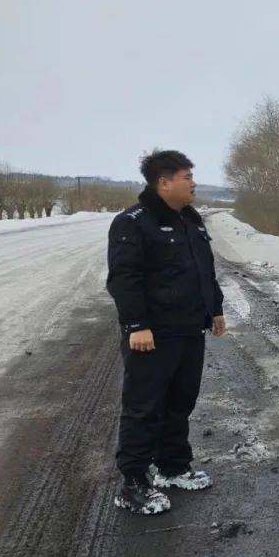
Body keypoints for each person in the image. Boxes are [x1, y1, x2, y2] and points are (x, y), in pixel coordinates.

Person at [106, 150, 226, 515]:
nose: (193, 183)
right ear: (163, 182)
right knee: (144, 407)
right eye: (186, 176)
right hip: (153, 334)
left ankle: (173, 466)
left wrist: (215, 309)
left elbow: (205, 270)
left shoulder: (191, 221)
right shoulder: (133, 222)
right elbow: (124, 279)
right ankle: (134, 482)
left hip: (190, 329)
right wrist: (136, 325)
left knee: (180, 403)